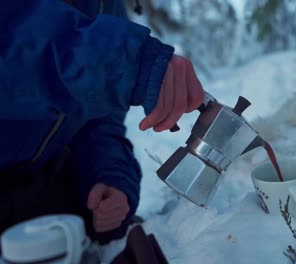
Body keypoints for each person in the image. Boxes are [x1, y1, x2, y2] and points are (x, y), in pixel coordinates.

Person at [0, 0, 204, 243]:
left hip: (35, 188)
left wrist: (109, 178)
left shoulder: (107, 7)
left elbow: (99, 124)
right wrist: (121, 61)